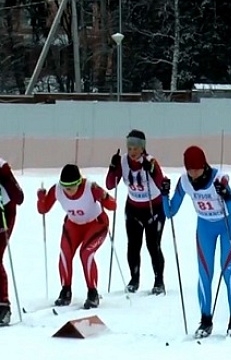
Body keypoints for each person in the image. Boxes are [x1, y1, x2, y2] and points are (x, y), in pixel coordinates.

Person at [162, 146, 231, 339]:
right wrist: (164, 194)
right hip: (205, 228)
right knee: (205, 274)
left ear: (204, 165)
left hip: (228, 226)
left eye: (197, 169)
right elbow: (170, 212)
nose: (194, 173)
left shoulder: (218, 179)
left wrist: (227, 196)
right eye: (190, 169)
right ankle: (205, 320)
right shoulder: (184, 182)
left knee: (228, 271)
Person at [37, 164, 116, 309]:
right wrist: (41, 197)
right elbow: (43, 209)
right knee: (65, 253)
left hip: (96, 223)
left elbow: (113, 205)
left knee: (86, 253)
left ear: (79, 183)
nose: (69, 192)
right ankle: (66, 290)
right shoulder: (58, 190)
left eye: (72, 187)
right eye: (65, 187)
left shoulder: (90, 188)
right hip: (74, 225)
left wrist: (103, 196)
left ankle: (92, 293)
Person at [105, 129, 167, 294]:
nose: (132, 152)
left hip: (154, 209)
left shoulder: (150, 161)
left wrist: (152, 170)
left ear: (143, 147)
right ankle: (134, 279)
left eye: (136, 148)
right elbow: (110, 185)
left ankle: (159, 281)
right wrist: (113, 167)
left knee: (153, 246)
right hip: (133, 209)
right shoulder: (124, 161)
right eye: (129, 147)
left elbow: (162, 184)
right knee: (133, 246)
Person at [0, 159, 23, 325]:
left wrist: (5, 178)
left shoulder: (1, 166)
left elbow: (19, 197)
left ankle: (3, 306)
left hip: (4, 214)